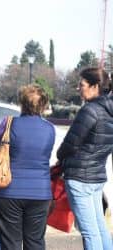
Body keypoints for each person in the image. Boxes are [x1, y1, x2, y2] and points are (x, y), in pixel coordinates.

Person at [0, 84, 55, 250]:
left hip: (8, 190)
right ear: (43, 104)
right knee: (35, 242)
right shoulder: (49, 129)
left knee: (10, 243)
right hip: (40, 192)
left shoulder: (9, 124)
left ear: (21, 103)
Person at [57, 67, 113, 250]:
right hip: (96, 176)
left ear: (95, 86)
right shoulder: (108, 111)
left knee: (90, 232)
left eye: (81, 85)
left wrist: (59, 156)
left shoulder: (90, 111)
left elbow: (70, 144)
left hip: (80, 177)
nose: (78, 89)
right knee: (100, 228)